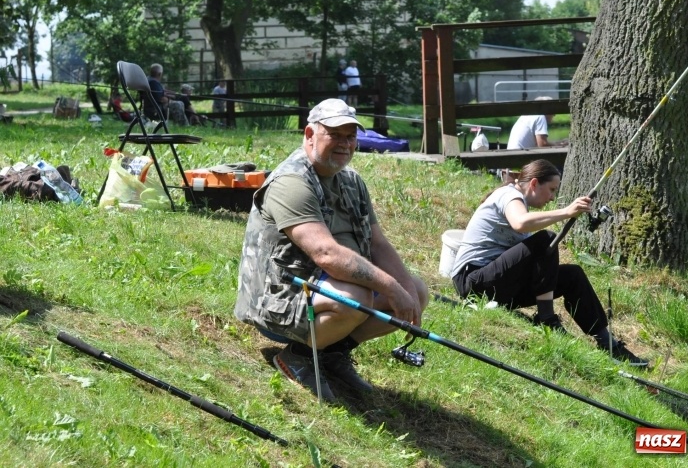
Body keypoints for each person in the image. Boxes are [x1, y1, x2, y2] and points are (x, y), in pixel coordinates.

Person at [236, 98, 429, 401]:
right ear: (310, 134)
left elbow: (378, 243)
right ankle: (297, 357)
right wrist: (390, 287)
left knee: (416, 289)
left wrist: (405, 291)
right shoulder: (291, 182)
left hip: (324, 287)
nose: (345, 143)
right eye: (335, 134)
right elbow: (325, 253)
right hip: (279, 296)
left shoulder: (351, 181)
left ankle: (331, 354)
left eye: (350, 136)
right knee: (356, 298)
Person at [450, 159, 649, 367]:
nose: (552, 197)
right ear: (534, 183)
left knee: (572, 274)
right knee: (546, 239)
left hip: (498, 285)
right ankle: (547, 319)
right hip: (473, 281)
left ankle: (608, 343)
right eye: (551, 190)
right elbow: (520, 223)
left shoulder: (521, 203)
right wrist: (565, 212)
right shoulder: (509, 195)